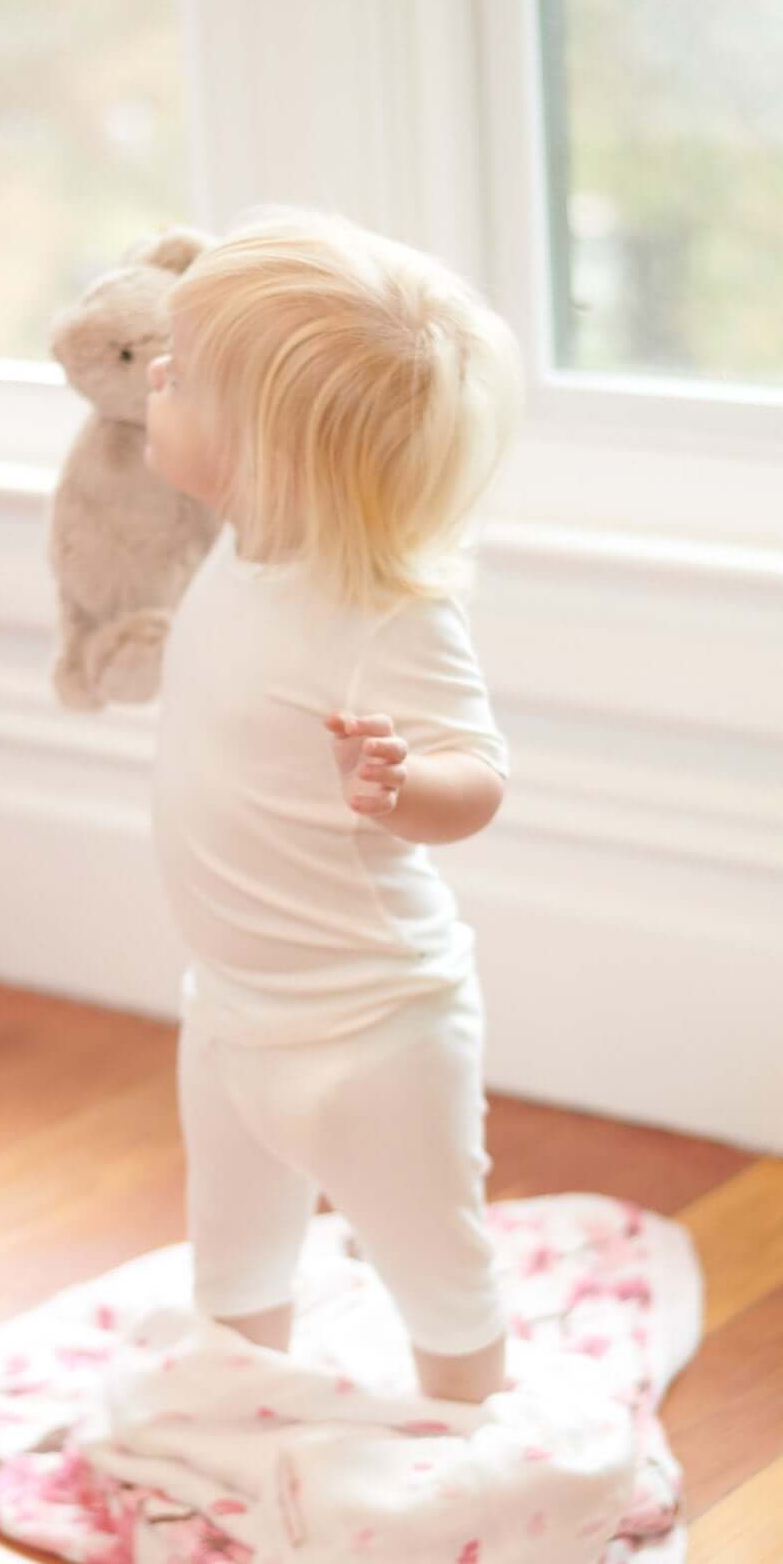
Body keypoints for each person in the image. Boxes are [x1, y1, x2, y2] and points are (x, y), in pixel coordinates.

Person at [144, 204, 523, 1404]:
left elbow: (481, 772)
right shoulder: (240, 536)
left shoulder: (384, 609)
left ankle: (473, 1429)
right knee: (234, 1239)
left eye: (186, 376)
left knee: (433, 1258)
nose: (156, 374)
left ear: (269, 450)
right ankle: (242, 1398)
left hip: (373, 1030)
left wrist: (409, 785)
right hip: (233, 1005)